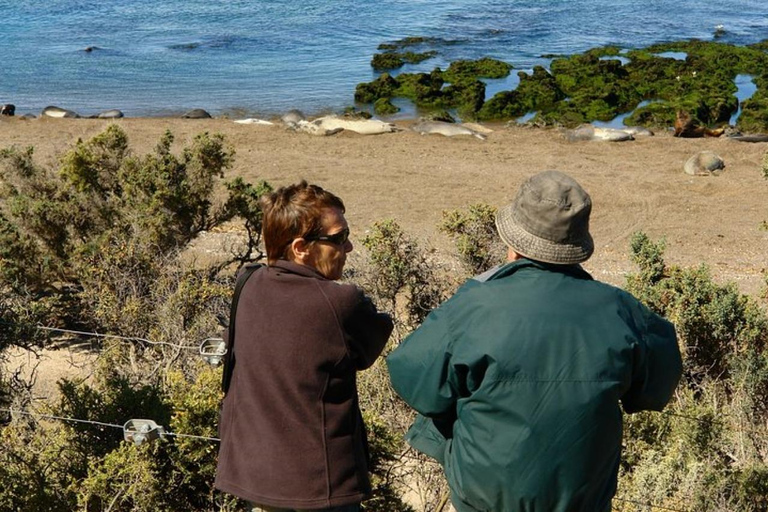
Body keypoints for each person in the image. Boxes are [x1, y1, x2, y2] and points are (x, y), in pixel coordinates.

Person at [386, 170, 682, 512]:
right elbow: (656, 388)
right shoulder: (621, 309)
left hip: (483, 500)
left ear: (513, 242)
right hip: (584, 499)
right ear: (576, 246)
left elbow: (412, 379)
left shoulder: (475, 304)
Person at [215, 181, 393, 512]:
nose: (349, 246)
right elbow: (374, 338)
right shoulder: (340, 302)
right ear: (300, 247)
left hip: (257, 481)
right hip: (320, 488)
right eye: (338, 238)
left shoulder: (248, 285)